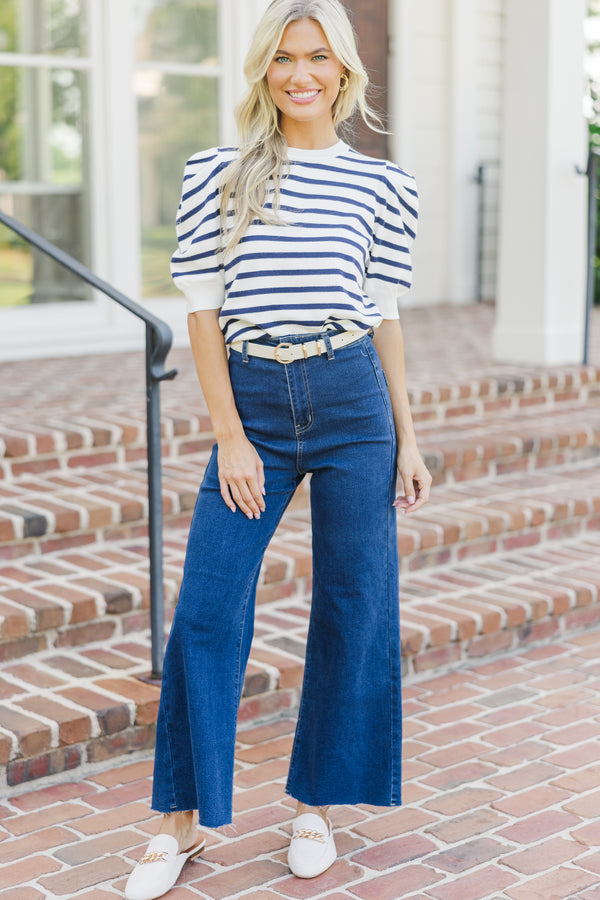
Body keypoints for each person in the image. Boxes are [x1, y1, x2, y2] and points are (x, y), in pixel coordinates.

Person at [125, 1, 431, 898]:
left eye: (319, 58)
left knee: (353, 602)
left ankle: (317, 807)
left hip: (351, 402)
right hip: (252, 402)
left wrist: (410, 437)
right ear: (264, 71)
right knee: (208, 611)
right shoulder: (215, 173)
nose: (301, 74)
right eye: (285, 59)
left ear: (344, 70)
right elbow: (203, 309)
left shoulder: (384, 186)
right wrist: (229, 435)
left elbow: (384, 317)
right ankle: (175, 827)